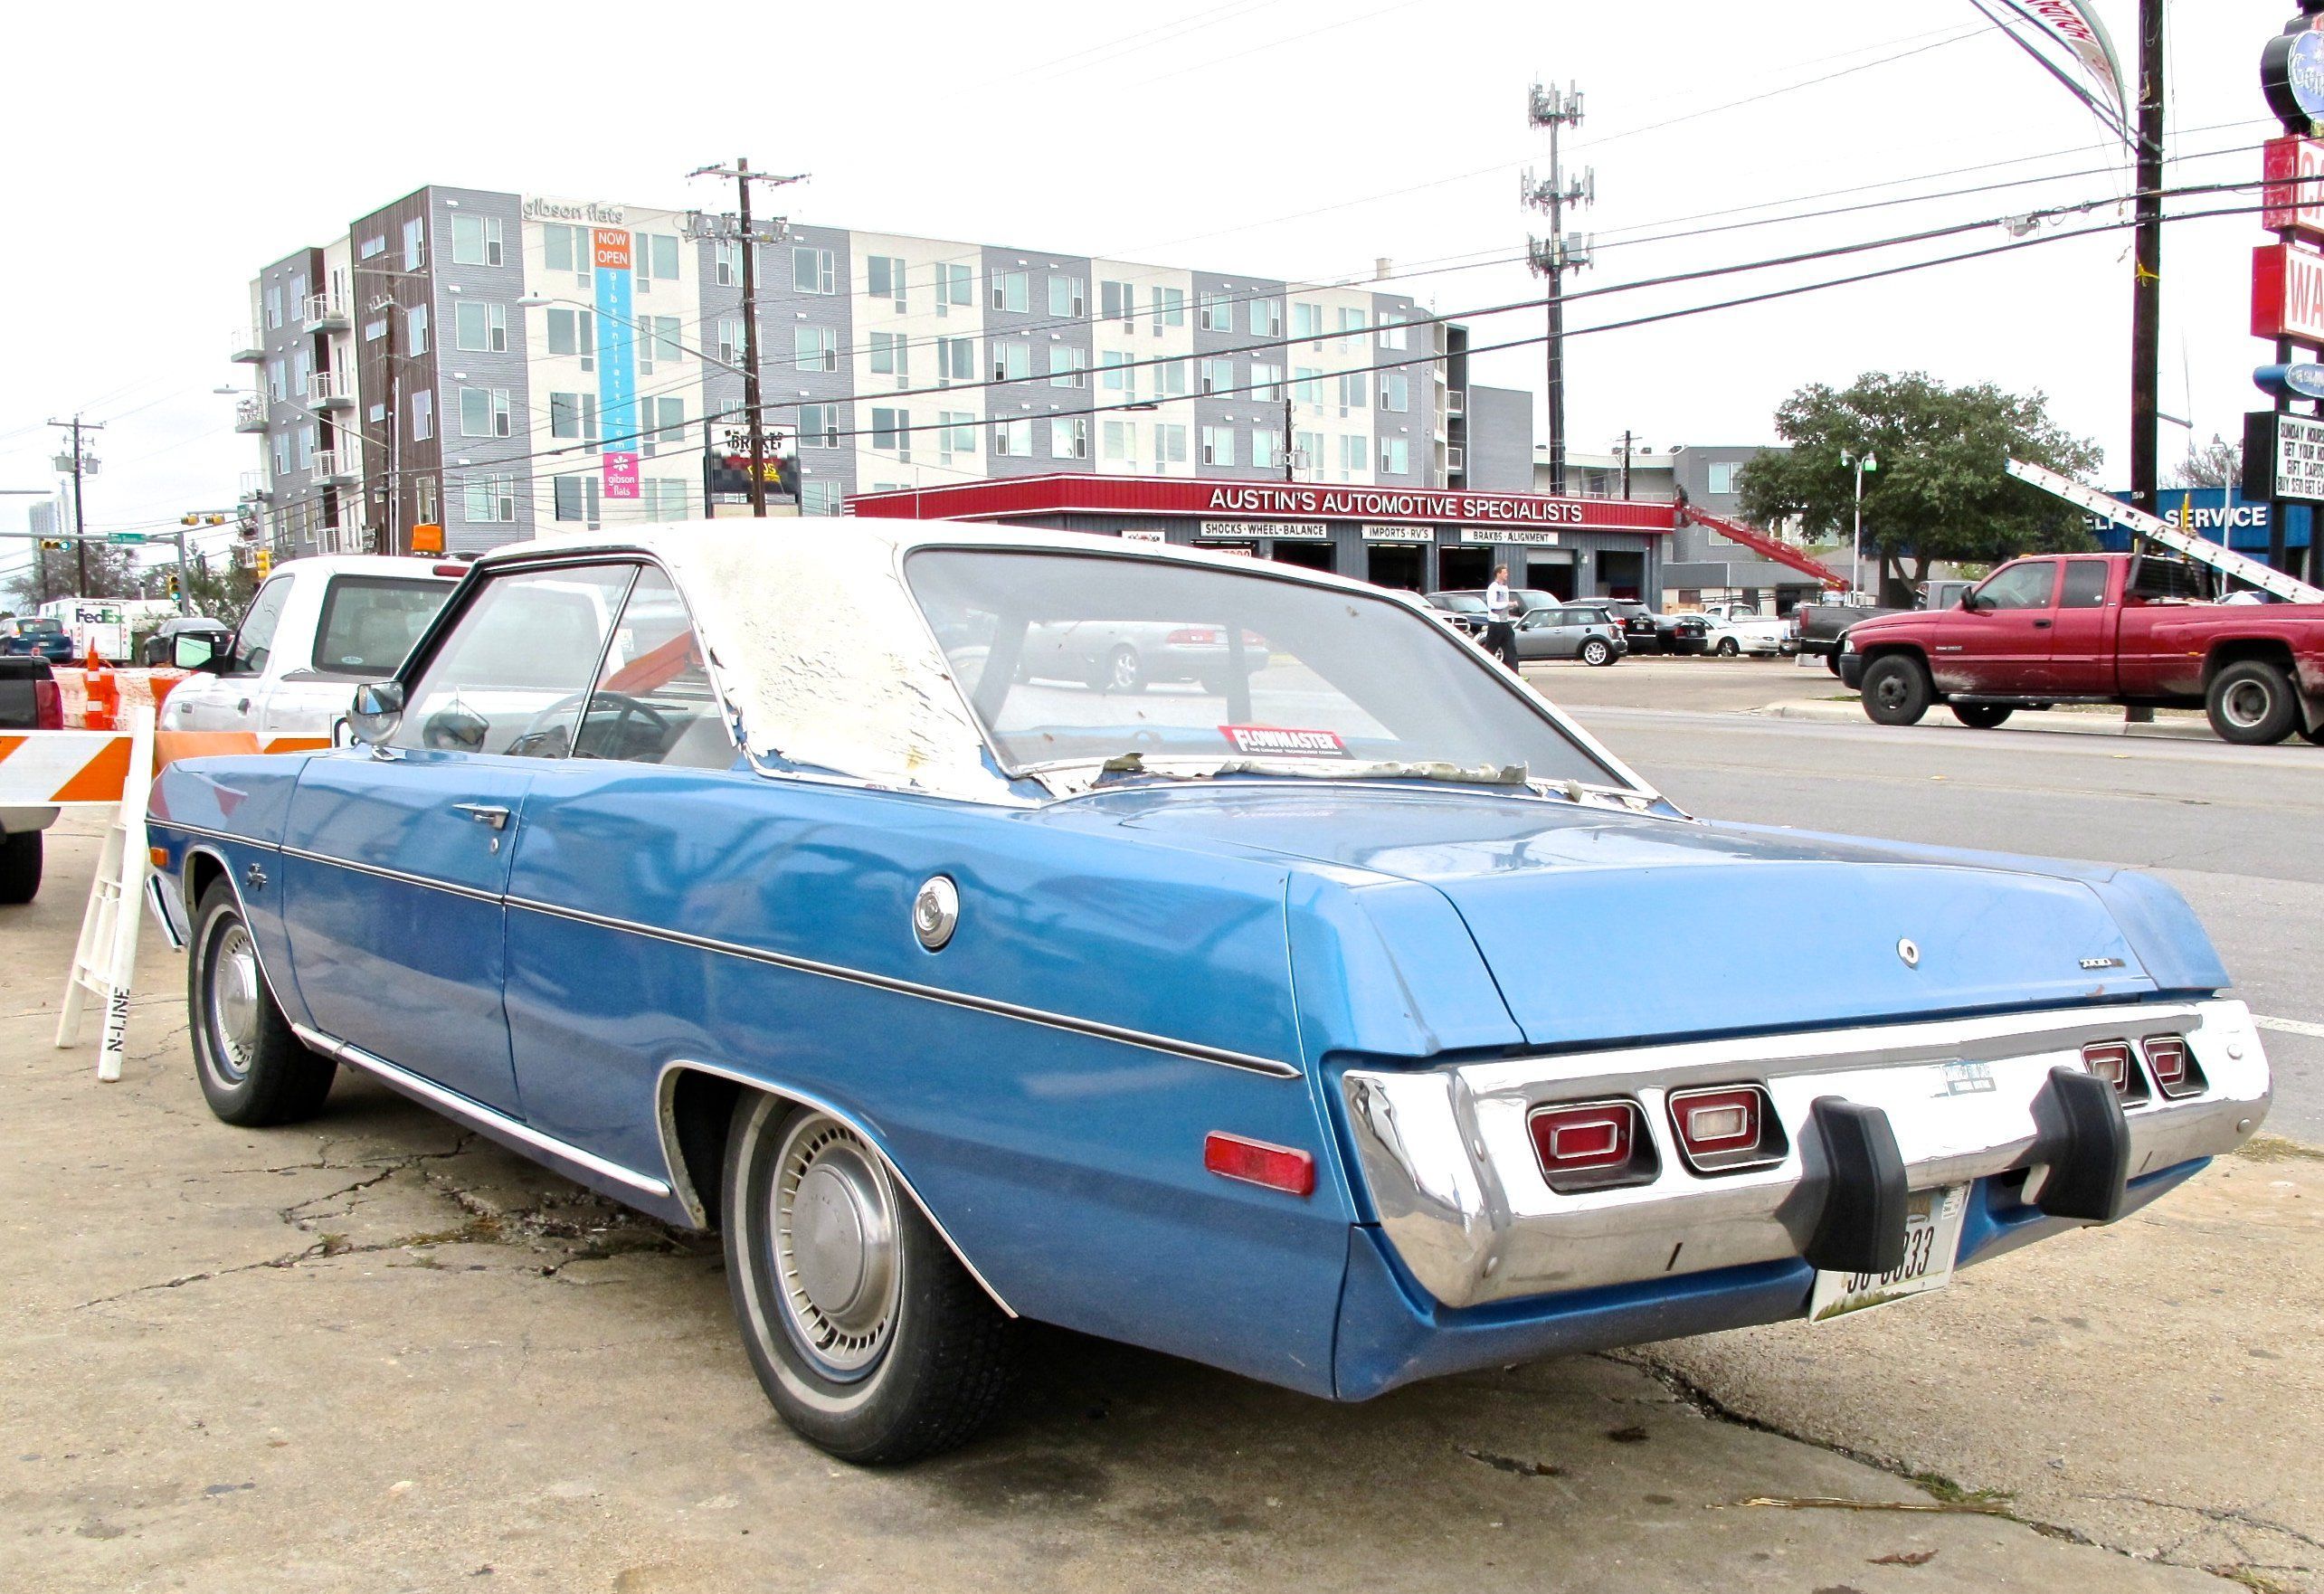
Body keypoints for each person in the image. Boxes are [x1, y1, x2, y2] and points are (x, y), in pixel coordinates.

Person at [1483, 565, 1521, 670]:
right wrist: (1508, 604)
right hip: (1495, 623)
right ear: (1498, 573)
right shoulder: (1493, 588)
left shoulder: (1505, 588)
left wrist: (1511, 606)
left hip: (1505, 623)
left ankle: (1515, 674)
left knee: (1511, 650)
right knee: (1490, 650)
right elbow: (1492, 606)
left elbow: (1505, 605)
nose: (1507, 575)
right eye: (1504, 573)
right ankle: (1483, 670)